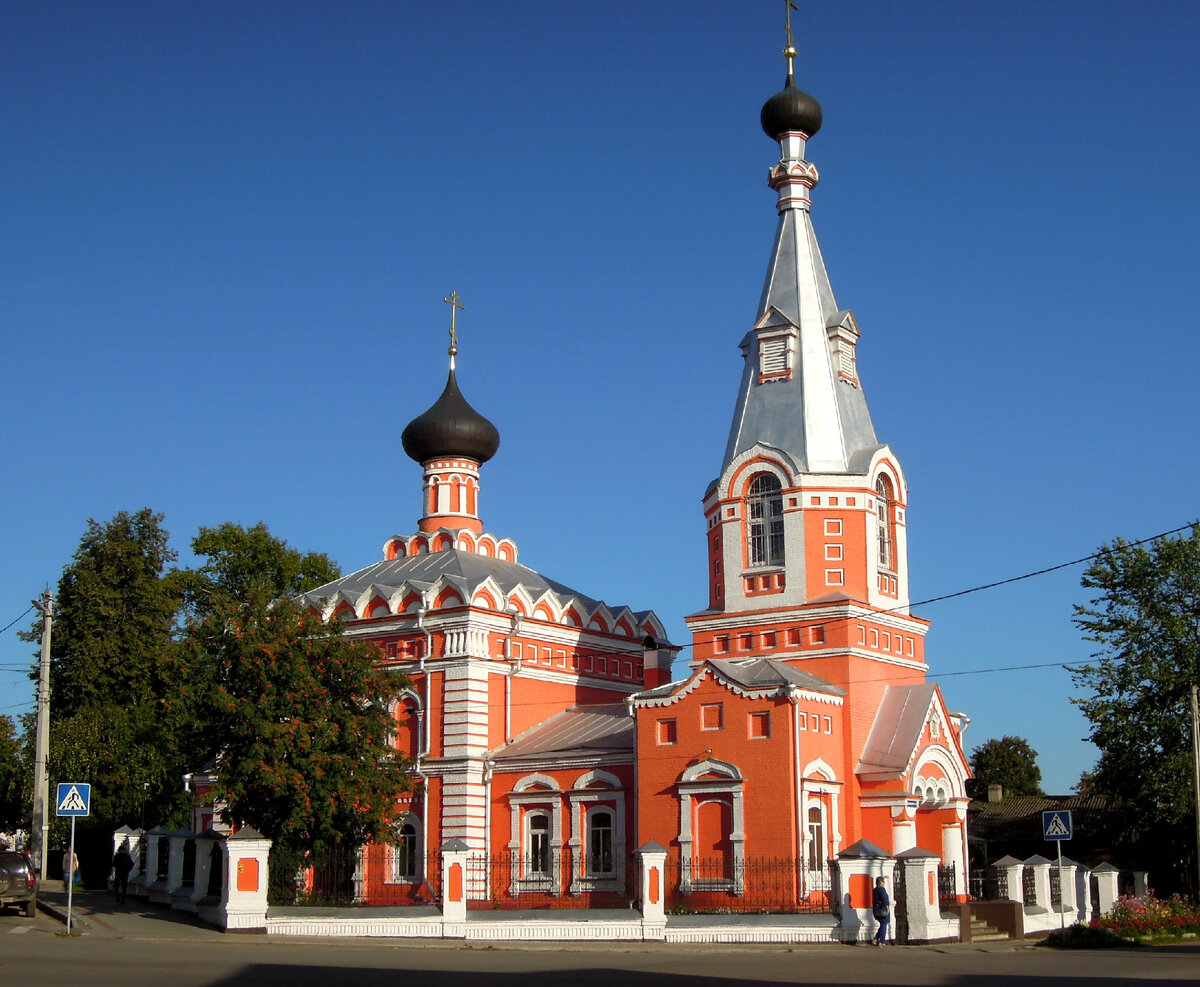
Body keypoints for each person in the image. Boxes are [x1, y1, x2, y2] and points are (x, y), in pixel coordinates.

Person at [112, 840, 135, 904]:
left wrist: (118, 866)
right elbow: (132, 864)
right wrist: (128, 869)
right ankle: (123, 898)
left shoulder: (117, 856)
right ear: (124, 850)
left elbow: (113, 864)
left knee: (116, 885)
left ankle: (117, 895)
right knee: (124, 886)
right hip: (125, 873)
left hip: (118, 872)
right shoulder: (127, 856)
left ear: (119, 850)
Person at [872, 875, 890, 946]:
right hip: (882, 910)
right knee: (884, 924)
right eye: (883, 882)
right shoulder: (882, 889)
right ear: (881, 882)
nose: (884, 883)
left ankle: (876, 938)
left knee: (882, 924)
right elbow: (884, 898)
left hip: (876, 910)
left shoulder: (875, 890)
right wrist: (887, 907)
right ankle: (882, 941)